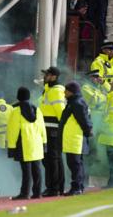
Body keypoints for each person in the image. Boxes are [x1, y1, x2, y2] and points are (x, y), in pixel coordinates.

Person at [7, 87, 46, 200]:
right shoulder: (37, 110)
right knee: (37, 169)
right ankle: (37, 192)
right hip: (37, 143)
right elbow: (42, 128)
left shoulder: (16, 111)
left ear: (18, 97)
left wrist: (11, 147)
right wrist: (44, 143)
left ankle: (25, 193)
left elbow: (13, 130)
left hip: (24, 143)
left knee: (26, 171)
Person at [60, 82, 93, 196]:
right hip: (73, 139)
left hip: (75, 139)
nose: (64, 92)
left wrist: (88, 131)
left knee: (75, 164)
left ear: (72, 91)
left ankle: (76, 188)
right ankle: (79, 186)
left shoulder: (76, 103)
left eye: (66, 90)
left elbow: (84, 120)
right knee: (76, 164)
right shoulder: (75, 102)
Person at [39, 67, 65, 197]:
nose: (45, 77)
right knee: (53, 160)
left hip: (52, 130)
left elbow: (61, 111)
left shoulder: (55, 91)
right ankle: (56, 187)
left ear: (53, 77)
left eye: (47, 75)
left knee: (51, 160)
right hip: (49, 130)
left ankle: (53, 188)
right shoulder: (49, 90)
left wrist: (61, 129)